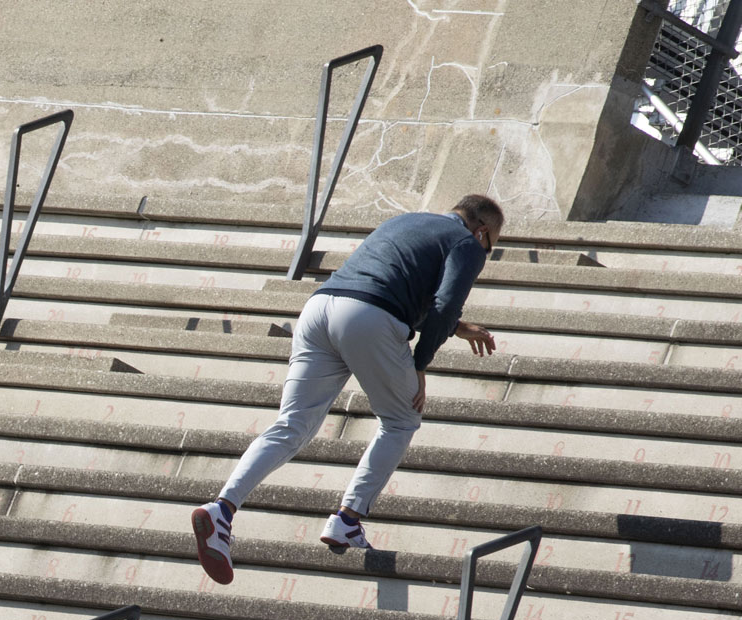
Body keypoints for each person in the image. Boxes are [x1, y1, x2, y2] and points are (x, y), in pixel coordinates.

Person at [189, 194, 505, 583]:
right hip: (368, 318)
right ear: (482, 231)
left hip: (319, 309)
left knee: (292, 425)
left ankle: (222, 510)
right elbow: (442, 304)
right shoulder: (468, 245)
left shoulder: (404, 221)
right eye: (489, 245)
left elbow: (391, 282)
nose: (484, 252)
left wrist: (458, 327)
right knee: (401, 420)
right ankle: (347, 520)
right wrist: (420, 364)